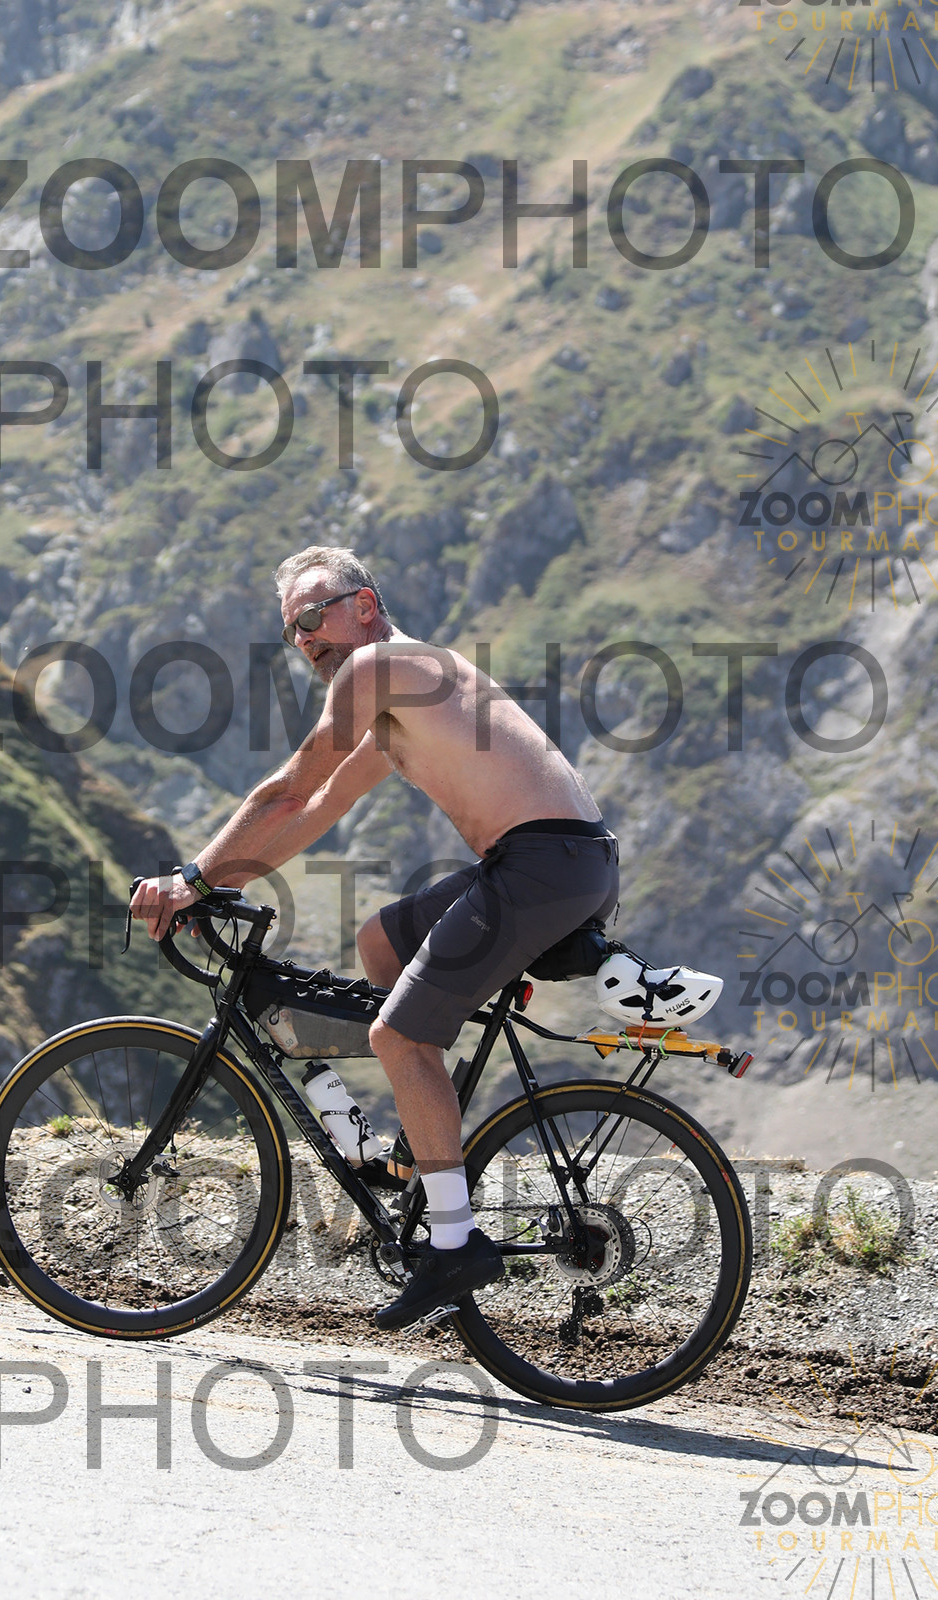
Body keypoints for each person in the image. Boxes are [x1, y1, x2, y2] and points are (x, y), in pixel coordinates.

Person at [130, 544, 721, 1332]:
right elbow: (315, 812)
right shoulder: (402, 691)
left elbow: (289, 788)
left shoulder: (378, 668)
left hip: (542, 865)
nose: (304, 638)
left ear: (364, 606)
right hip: (554, 864)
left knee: (398, 1037)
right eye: (292, 630)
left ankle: (454, 1243)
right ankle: (422, 1154)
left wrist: (193, 880)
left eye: (314, 616)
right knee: (383, 942)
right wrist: (223, 880)